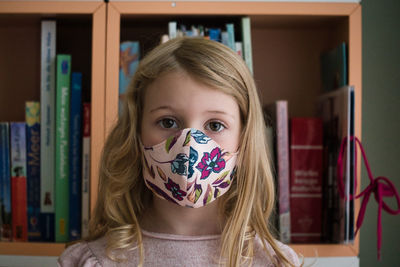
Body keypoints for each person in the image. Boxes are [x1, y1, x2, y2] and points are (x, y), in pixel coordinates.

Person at [58, 37, 301, 267]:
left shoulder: (274, 262)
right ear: (136, 134)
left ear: (244, 140)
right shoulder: (92, 261)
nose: (189, 146)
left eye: (214, 125)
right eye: (167, 122)